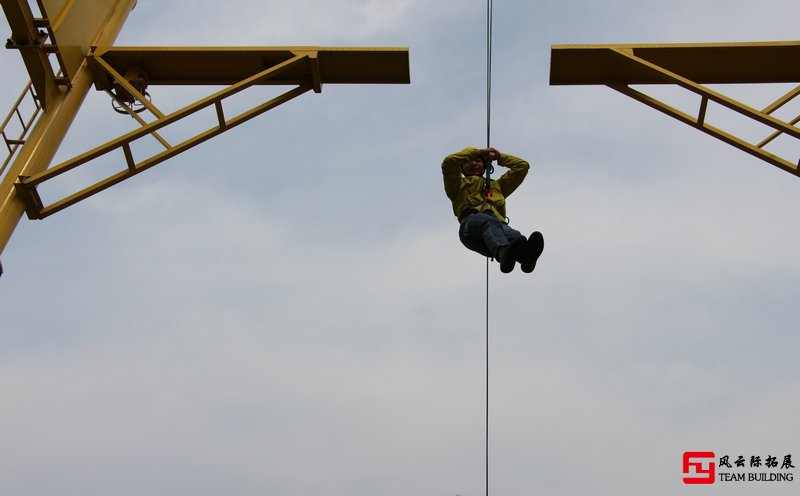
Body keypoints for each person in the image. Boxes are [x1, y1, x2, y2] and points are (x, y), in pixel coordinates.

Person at [442, 146, 544, 273]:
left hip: (496, 226)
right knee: (491, 223)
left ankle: (526, 257)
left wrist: (499, 157)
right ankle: (502, 252)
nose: (474, 163)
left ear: (485, 166)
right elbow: (449, 163)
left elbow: (522, 166)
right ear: (461, 167)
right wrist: (478, 153)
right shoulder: (457, 186)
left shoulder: (497, 186)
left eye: (478, 161)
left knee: (513, 234)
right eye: (469, 161)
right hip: (471, 226)